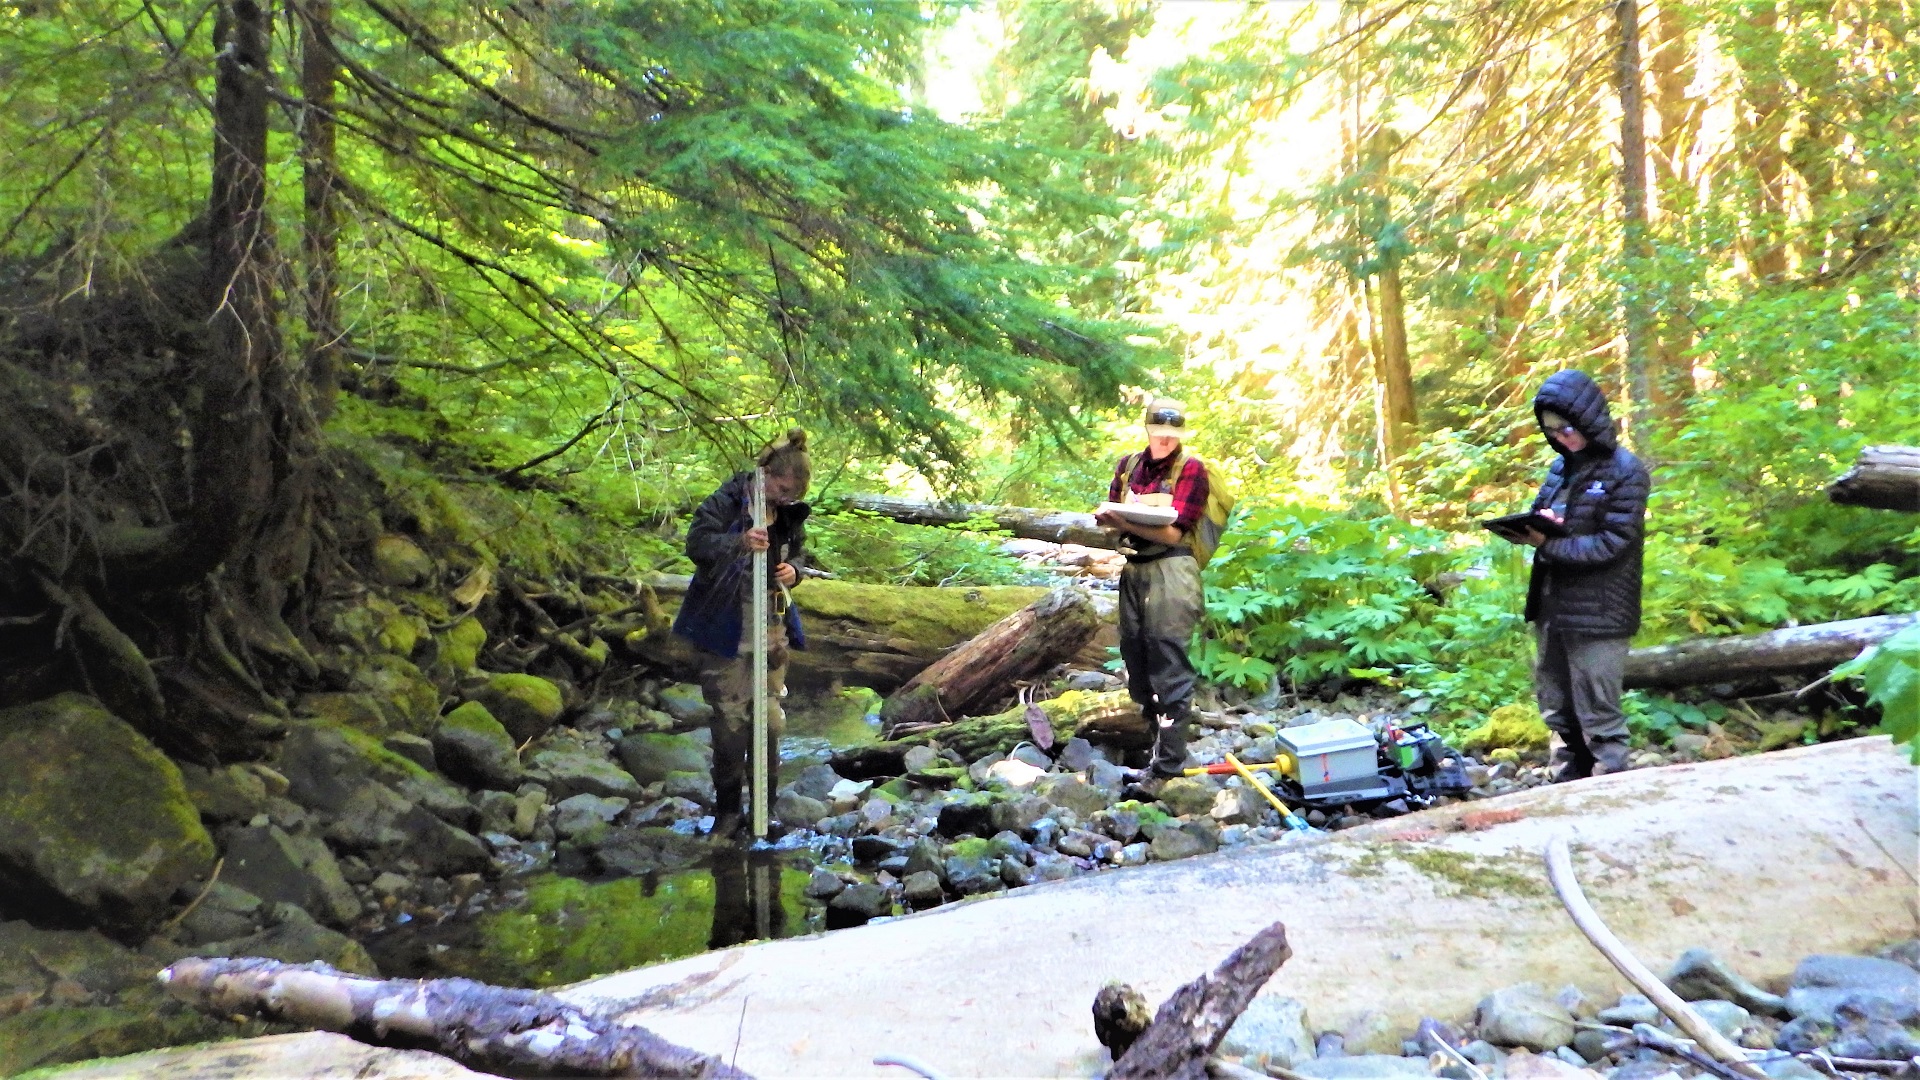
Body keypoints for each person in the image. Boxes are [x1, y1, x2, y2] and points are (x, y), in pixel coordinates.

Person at [673, 429, 812, 840]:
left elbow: (799, 553)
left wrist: (796, 571)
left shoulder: (788, 514)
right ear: (765, 474)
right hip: (725, 626)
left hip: (771, 629)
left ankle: (763, 812)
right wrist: (738, 541)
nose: (786, 499)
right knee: (731, 724)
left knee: (768, 723)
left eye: (793, 494)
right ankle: (729, 813)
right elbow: (697, 545)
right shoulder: (726, 501)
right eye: (782, 489)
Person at [1518, 370, 1651, 782]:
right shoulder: (1560, 470)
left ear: (1590, 419)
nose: (1561, 437)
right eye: (1552, 430)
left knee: (1598, 703)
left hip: (1601, 608)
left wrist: (1548, 543)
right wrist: (1536, 525)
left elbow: (1614, 542)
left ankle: (1609, 780)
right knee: (1555, 698)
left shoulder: (1626, 471)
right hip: (1553, 601)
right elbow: (1544, 514)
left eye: (1568, 427)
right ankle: (1567, 779)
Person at [1095, 398, 1211, 787]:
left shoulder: (1191, 469)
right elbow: (1111, 522)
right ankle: (1151, 755)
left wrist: (1125, 521)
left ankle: (1169, 768)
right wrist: (1109, 522)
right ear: (1147, 429)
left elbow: (1174, 532)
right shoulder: (1128, 466)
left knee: (1170, 666)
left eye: (1171, 434)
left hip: (1173, 570)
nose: (1164, 439)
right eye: (1158, 432)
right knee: (1136, 664)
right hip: (1134, 570)